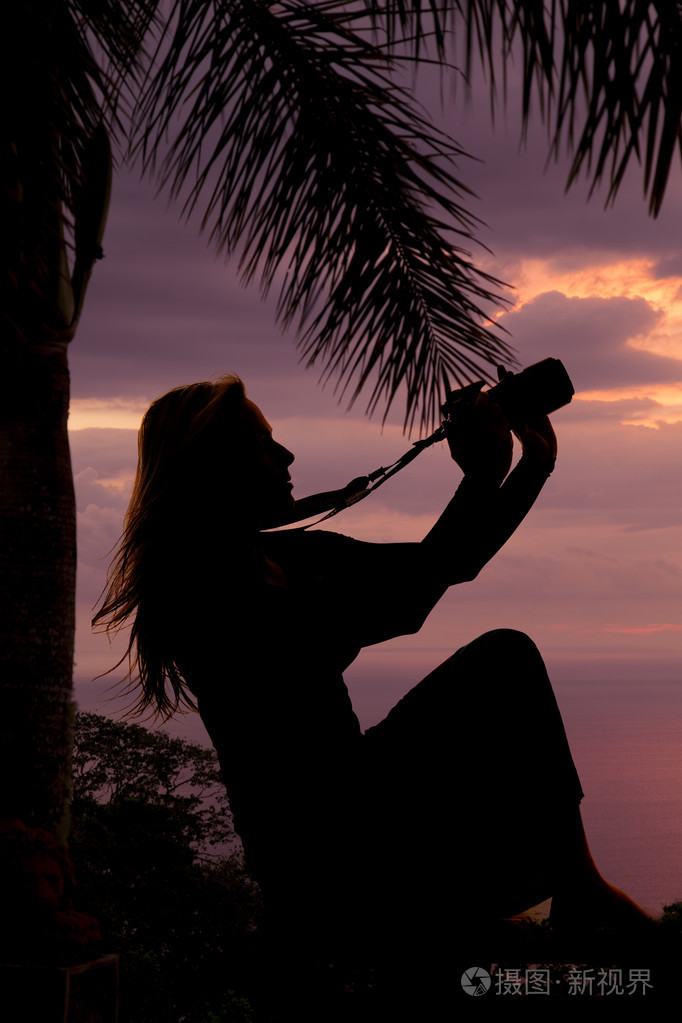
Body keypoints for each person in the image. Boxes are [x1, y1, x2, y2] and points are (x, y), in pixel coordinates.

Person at [93, 372, 648, 971]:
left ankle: (574, 885)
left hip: (357, 789)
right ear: (214, 468)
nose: (286, 455)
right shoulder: (199, 595)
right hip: (321, 847)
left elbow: (441, 567)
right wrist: (484, 474)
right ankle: (565, 887)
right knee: (502, 662)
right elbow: (399, 597)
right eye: (261, 443)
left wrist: (533, 462)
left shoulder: (286, 558)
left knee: (504, 658)